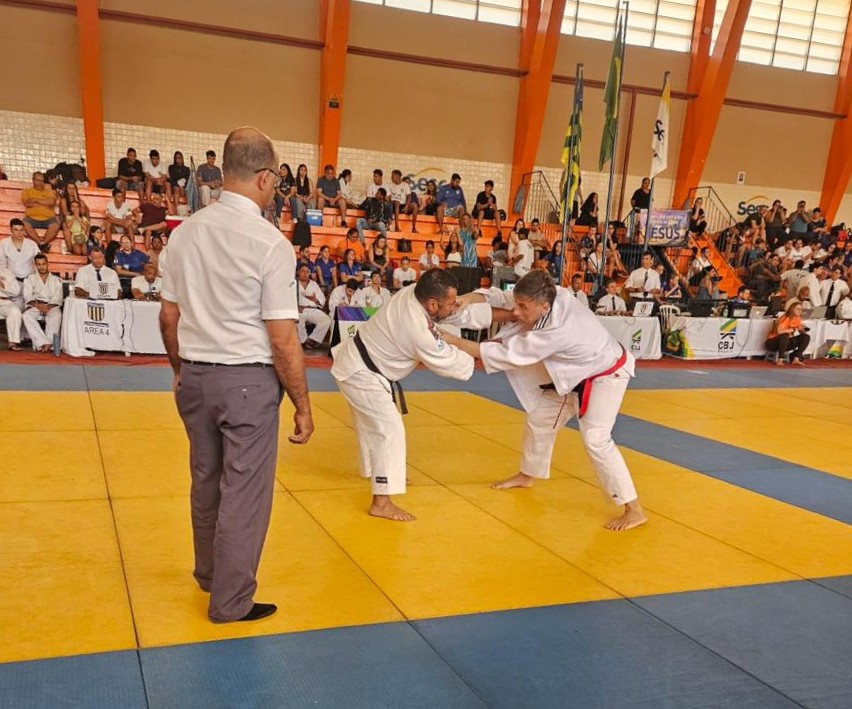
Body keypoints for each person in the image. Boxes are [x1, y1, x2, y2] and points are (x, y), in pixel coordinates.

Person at [159, 126, 313, 624]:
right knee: (244, 494)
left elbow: (168, 318)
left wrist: (182, 371)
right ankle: (230, 601)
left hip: (197, 377)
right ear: (267, 179)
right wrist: (304, 405)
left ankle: (209, 574)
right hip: (247, 381)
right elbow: (283, 338)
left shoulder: (184, 234)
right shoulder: (270, 244)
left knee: (205, 482)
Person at [442, 270, 646, 531]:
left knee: (596, 438)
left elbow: (505, 353)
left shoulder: (557, 329)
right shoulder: (550, 293)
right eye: (518, 304)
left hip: (605, 374)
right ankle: (528, 475)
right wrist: (465, 298)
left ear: (544, 306)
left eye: (523, 307)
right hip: (572, 374)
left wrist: (451, 340)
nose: (517, 312)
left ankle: (634, 509)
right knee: (540, 420)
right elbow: (501, 299)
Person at [330, 268, 489, 521]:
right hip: (362, 374)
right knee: (389, 429)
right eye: (449, 303)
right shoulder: (417, 329)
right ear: (433, 303)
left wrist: (468, 305)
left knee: (371, 424)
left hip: (357, 363)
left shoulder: (412, 291)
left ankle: (381, 470)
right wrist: (488, 358)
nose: (453, 306)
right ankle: (381, 501)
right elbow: (451, 363)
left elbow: (443, 320)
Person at [22, 253, 63, 352]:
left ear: (47, 264)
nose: (42, 266)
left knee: (56, 315)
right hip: (36, 305)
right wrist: (37, 305)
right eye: (39, 264)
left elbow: (58, 297)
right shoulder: (29, 279)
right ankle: (44, 342)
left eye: (44, 264)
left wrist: (48, 306)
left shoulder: (56, 280)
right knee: (26, 315)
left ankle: (48, 344)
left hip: (51, 306)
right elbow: (27, 295)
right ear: (35, 265)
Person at [21, 172, 60, 251]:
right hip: (31, 218)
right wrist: (45, 203)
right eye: (37, 180)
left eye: (42, 181)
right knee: (24, 224)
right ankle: (40, 243)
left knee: (56, 225)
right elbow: (28, 203)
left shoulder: (49, 191)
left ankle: (43, 243)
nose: (40, 182)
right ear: (33, 180)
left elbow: (51, 203)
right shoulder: (27, 191)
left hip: (49, 219)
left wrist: (35, 200)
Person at [296, 264, 331, 348]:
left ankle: (313, 340)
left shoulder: (314, 284)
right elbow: (287, 299)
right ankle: (303, 342)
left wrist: (314, 300)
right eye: (303, 271)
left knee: (326, 320)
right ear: (298, 272)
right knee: (298, 320)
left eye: (307, 271)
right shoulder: (293, 284)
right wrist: (296, 307)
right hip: (299, 310)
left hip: (312, 309)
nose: (305, 273)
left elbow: (322, 301)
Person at [765, 300, 810, 366]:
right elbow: (779, 331)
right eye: (797, 309)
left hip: (787, 342)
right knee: (784, 335)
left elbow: (799, 330)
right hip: (773, 342)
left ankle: (796, 358)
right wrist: (793, 329)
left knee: (806, 337)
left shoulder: (797, 318)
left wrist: (802, 330)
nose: (800, 311)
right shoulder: (785, 318)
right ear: (792, 309)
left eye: (801, 309)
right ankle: (780, 359)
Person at [2, 218, 40, 283]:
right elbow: (1, 264)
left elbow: (39, 262)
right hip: (11, 280)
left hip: (29, 279)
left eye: (21, 230)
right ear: (11, 230)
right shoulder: (4, 243)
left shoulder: (32, 244)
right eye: (16, 230)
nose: (19, 233)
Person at [0, 265, 23, 350]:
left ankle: (12, 343)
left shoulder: (7, 272)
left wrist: (3, 286)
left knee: (15, 311)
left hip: (4, 302)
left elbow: (16, 291)